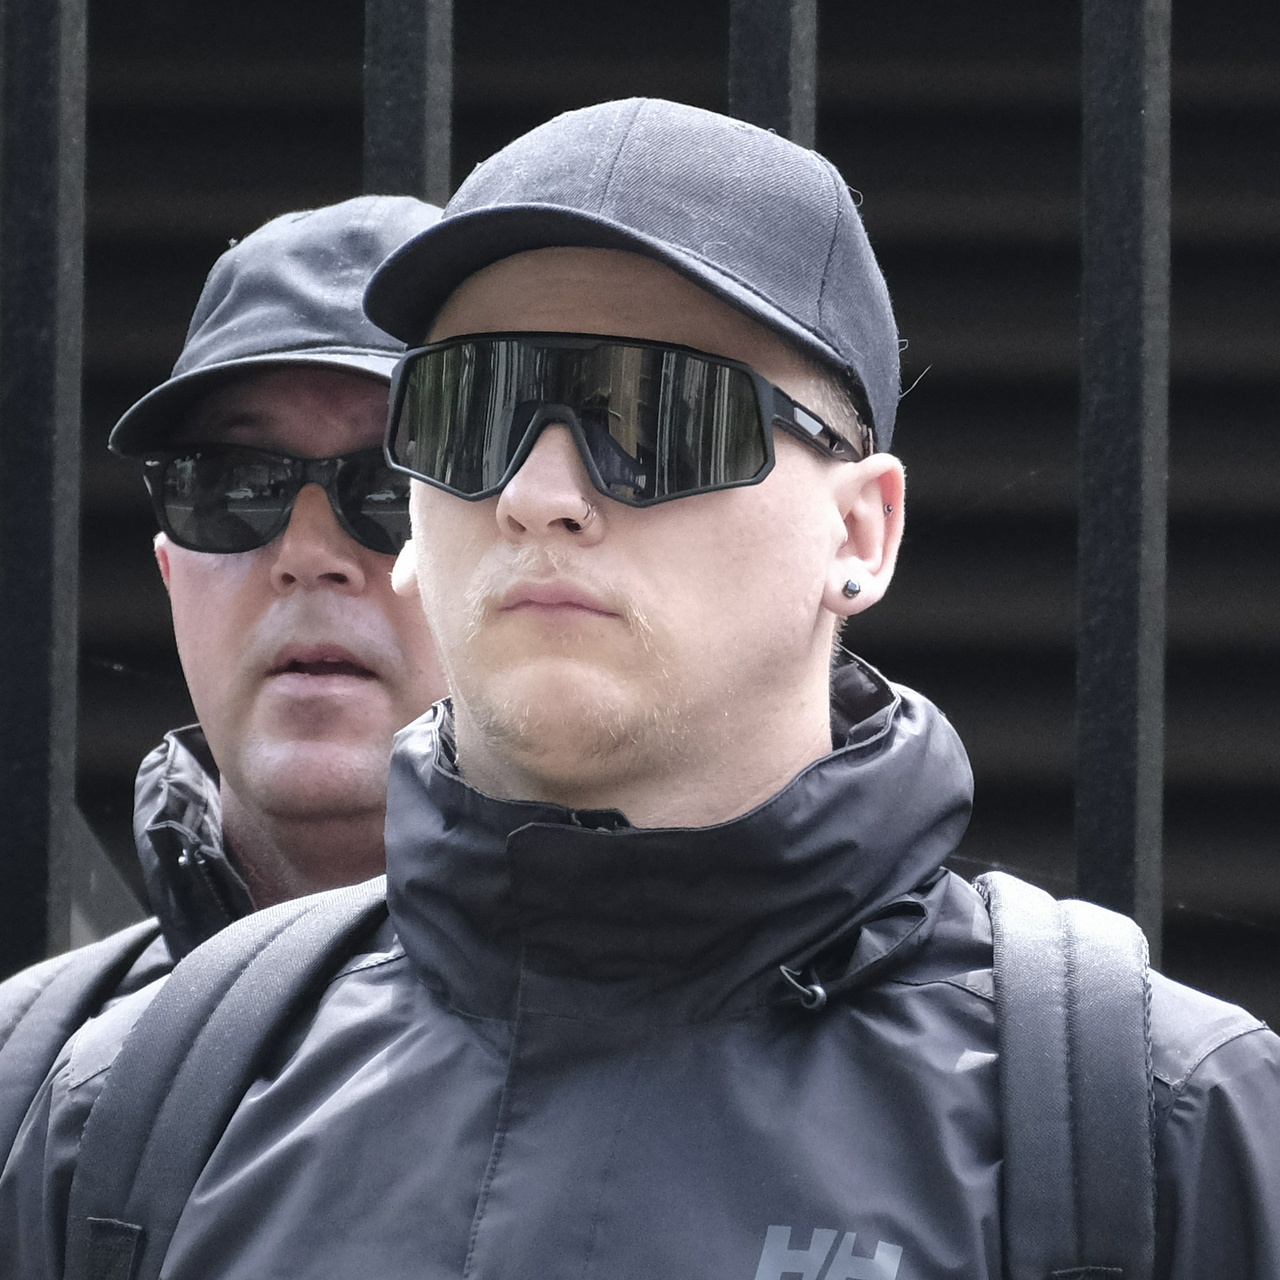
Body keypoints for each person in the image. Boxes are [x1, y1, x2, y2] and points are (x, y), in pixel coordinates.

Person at [4, 99, 1278, 1279]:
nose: (541, 493)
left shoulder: (1161, 1127)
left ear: (860, 534)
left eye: (658, 413)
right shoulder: (116, 1111)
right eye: (471, 411)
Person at [0, 196, 446, 1133]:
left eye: (394, 486)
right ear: (171, 575)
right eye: (233, 486)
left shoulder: (705, 1062)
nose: (308, 550)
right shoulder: (22, 1086)